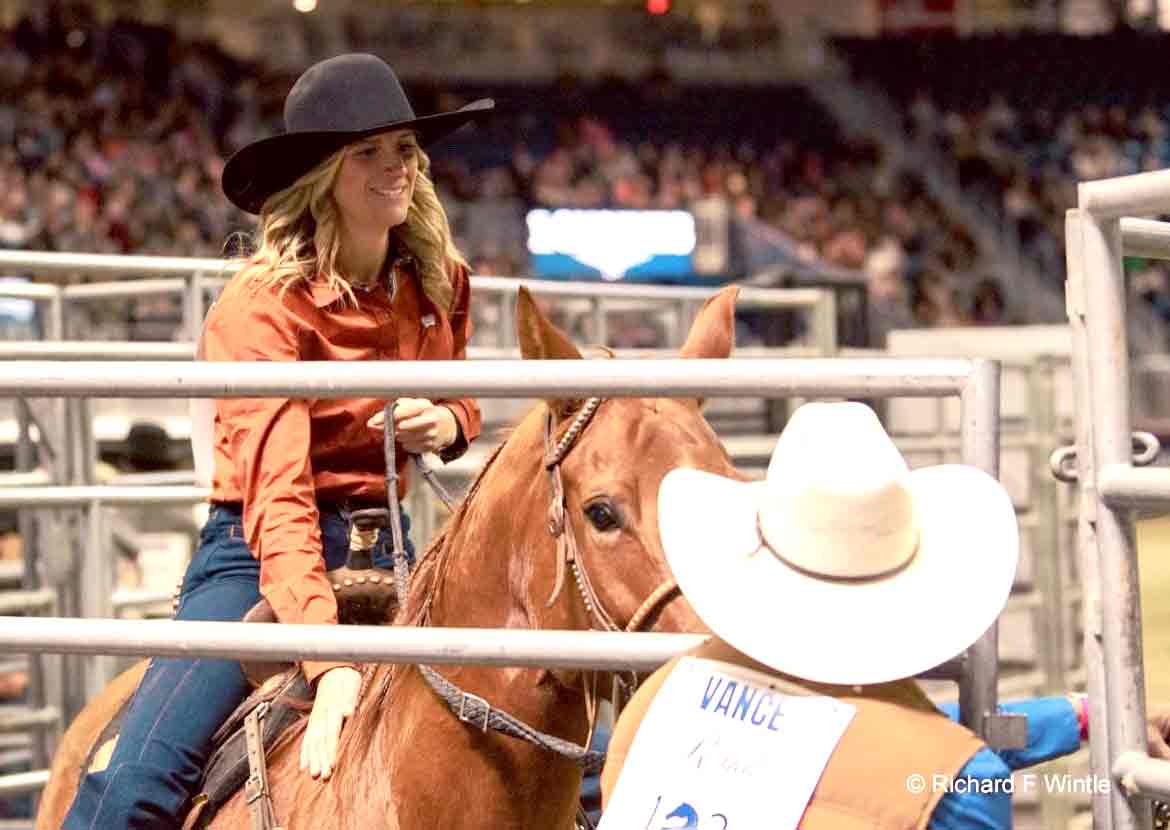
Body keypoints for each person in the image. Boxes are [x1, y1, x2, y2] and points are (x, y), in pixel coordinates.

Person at [63, 53, 491, 830]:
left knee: (548, 732)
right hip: (257, 551)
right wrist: (328, 663)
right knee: (132, 789)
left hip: (391, 541)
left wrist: (450, 421)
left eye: (404, 148)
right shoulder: (262, 309)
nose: (396, 167)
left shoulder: (439, 281)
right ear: (320, 176)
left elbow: (459, 391)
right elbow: (280, 498)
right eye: (368, 151)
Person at [599, 401, 1169, 830]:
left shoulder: (655, 705)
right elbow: (902, 751)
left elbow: (839, 734)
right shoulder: (961, 784)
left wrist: (1082, 716)